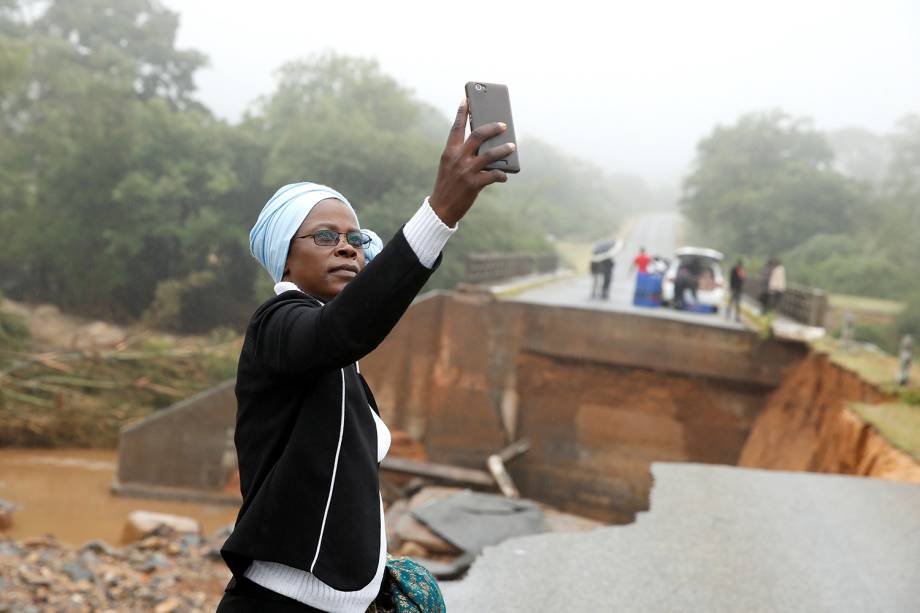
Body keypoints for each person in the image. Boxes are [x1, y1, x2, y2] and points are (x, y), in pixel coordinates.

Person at [217, 101, 514, 613]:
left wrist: (374, 577)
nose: (347, 248)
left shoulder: (337, 361)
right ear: (285, 255)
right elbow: (344, 329)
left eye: (355, 239)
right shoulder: (277, 326)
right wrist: (439, 213)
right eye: (325, 237)